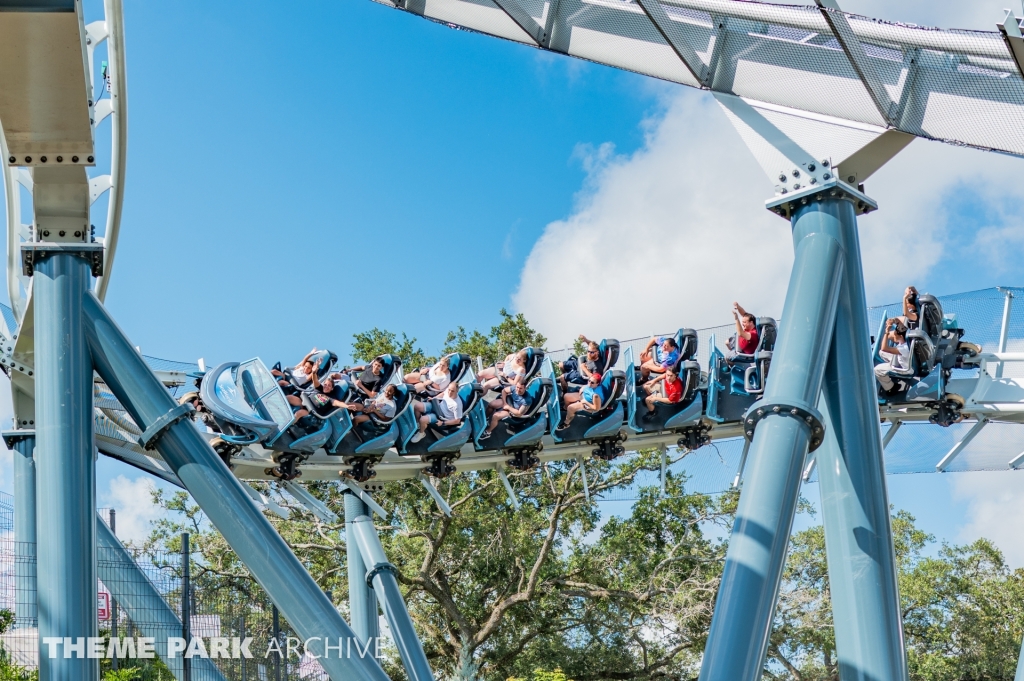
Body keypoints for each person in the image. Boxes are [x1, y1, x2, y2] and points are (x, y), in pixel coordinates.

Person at [874, 321, 911, 393]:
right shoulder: (905, 340)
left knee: (877, 370)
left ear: (900, 336)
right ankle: (889, 369)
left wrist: (886, 332)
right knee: (882, 353)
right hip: (903, 360)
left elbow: (884, 348)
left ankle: (891, 388)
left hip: (904, 369)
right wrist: (891, 324)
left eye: (895, 333)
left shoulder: (904, 348)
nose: (894, 334)